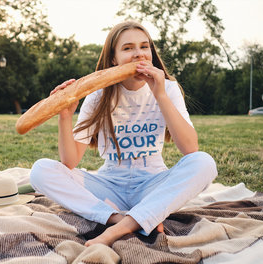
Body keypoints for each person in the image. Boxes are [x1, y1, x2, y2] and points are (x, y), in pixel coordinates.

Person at [30, 21, 218, 247]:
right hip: (109, 187)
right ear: (113, 59)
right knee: (41, 170)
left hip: (152, 184)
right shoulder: (97, 95)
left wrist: (160, 96)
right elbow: (69, 161)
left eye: (144, 47)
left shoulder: (167, 88)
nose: (139, 54)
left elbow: (190, 149)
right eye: (128, 48)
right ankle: (122, 219)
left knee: (204, 163)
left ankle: (119, 228)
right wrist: (64, 116)